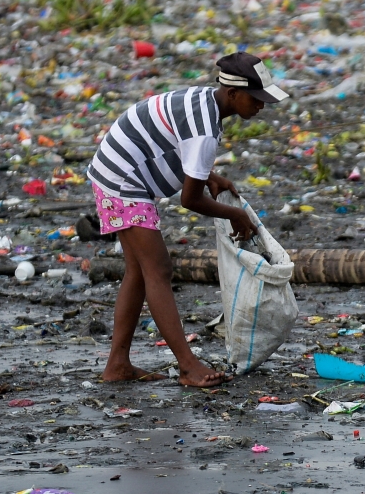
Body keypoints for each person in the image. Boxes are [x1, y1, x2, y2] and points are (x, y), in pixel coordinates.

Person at [85, 52, 288, 387]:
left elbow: (176, 142)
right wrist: (235, 214)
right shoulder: (205, 129)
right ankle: (187, 365)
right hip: (121, 181)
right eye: (257, 98)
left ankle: (117, 365)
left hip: (117, 169)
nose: (262, 105)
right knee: (159, 269)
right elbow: (189, 200)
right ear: (234, 94)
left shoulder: (205, 101)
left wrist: (208, 175)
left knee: (139, 270)